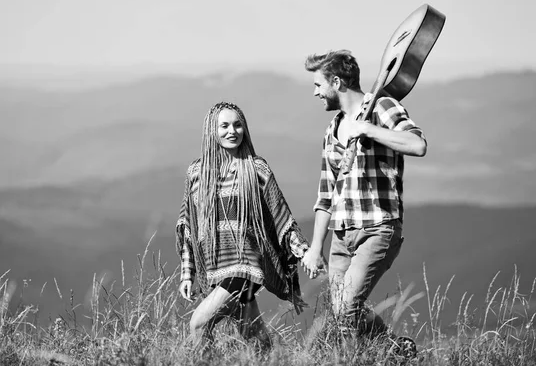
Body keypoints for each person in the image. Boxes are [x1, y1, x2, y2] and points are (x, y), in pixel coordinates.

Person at [301, 50, 424, 354]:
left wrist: (368, 129)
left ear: (337, 82)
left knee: (346, 306)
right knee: (345, 316)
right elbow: (326, 195)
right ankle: (393, 350)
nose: (316, 92)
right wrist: (316, 248)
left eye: (319, 85)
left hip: (378, 228)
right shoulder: (332, 131)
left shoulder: (381, 107)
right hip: (342, 237)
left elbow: (417, 144)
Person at [175, 101, 309, 346]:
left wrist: (304, 253)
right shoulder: (196, 173)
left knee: (199, 323)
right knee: (254, 337)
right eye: (224, 126)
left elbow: (281, 216)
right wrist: (187, 274)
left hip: (246, 264)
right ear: (211, 132)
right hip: (216, 264)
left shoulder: (256, 168)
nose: (232, 131)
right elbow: (189, 228)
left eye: (238, 125)